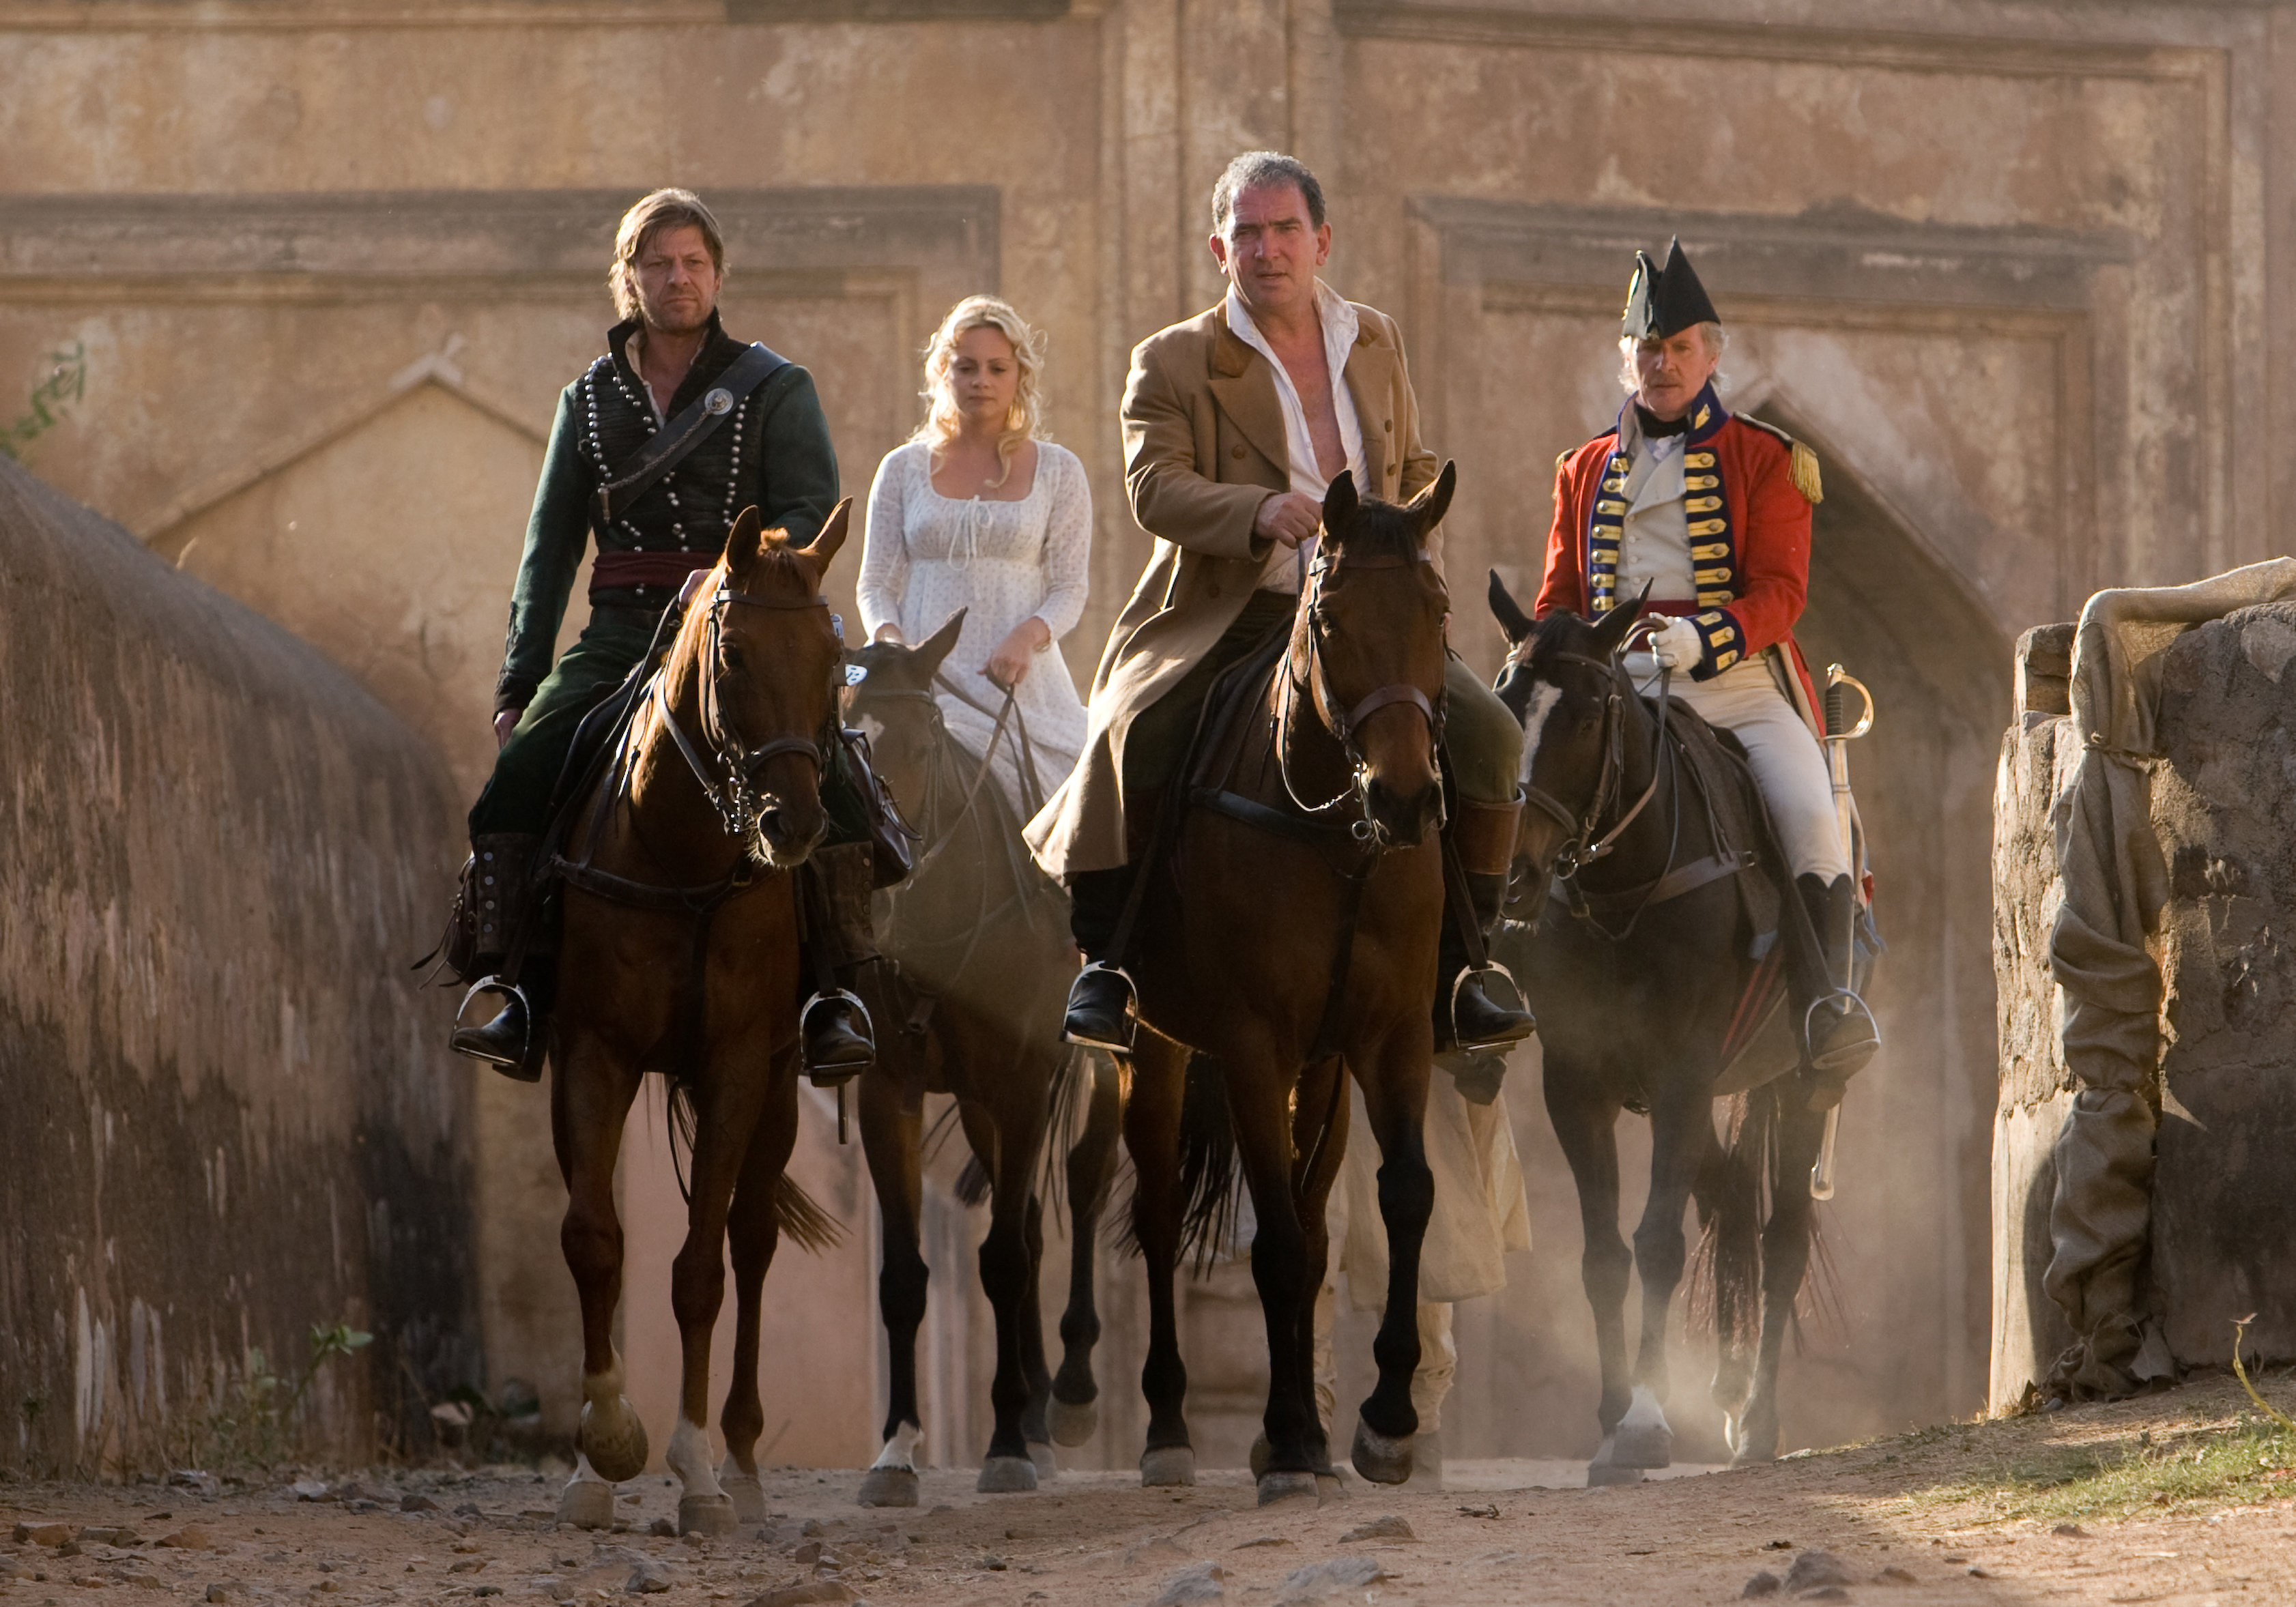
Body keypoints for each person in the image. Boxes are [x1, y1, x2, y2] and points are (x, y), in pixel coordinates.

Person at [1027, 149, 1534, 1056]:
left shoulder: (1374, 339)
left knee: (1493, 734)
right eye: (1249, 233)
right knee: (1129, 729)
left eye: (1286, 229)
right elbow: (1155, 487)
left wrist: (1402, 530)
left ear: (1322, 240)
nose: (1269, 250)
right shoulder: (1174, 360)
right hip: (1238, 609)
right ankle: (1108, 963)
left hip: (1365, 616)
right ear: (1219, 248)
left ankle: (1467, 967)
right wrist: (1257, 510)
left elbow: (1411, 463)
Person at [451, 186, 878, 1082]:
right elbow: (549, 553)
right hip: (620, 633)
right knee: (518, 778)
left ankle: (834, 992)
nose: (676, 278)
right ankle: (516, 988)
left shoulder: (776, 388)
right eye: (657, 263)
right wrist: (517, 687)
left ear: (718, 274)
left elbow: (805, 512)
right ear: (628, 279)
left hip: (744, 631)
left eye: (692, 263)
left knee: (830, 778)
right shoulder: (588, 402)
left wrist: (737, 574)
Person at [1535, 237, 1879, 1077]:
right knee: (1517, 798)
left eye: (1679, 349)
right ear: (1628, 361)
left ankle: (1828, 1008)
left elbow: (1779, 594)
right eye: (1647, 350)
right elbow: (1557, 596)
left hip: (1736, 688)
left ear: (1711, 355)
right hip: (1616, 693)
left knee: (1811, 820)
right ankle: (1485, 981)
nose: (1663, 364)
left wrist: (1703, 637)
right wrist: (1557, 649)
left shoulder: (1766, 458)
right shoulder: (1583, 468)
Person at [858, 295, 1091, 814]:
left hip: (1019, 687)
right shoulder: (902, 469)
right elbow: (875, 583)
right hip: (923, 691)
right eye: (966, 367)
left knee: (1082, 822)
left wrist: (1026, 638)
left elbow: (1070, 587)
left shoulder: (1059, 470)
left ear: (1019, 377)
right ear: (944, 373)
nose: (981, 380)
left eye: (996, 368)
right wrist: (894, 645)